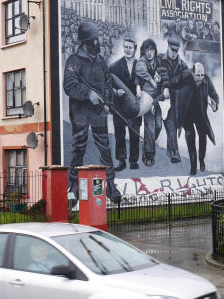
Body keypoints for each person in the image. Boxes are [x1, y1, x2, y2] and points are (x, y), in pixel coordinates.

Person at [63, 21, 120, 204]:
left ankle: (110, 184)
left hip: (98, 112)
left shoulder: (100, 61)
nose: (97, 44)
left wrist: (108, 102)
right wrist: (88, 94)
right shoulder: (73, 61)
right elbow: (69, 85)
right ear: (85, 43)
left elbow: (108, 83)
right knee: (78, 147)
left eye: (97, 40)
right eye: (94, 41)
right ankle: (73, 187)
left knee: (104, 147)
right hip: (79, 112)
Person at [177, 62, 219, 175]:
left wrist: (215, 104)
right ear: (192, 73)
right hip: (187, 115)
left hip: (200, 114)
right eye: (198, 75)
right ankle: (193, 165)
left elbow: (214, 95)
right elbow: (177, 96)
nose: (200, 78)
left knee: (203, 137)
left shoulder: (206, 80)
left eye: (202, 75)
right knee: (190, 139)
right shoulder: (185, 80)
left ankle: (201, 160)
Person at [134, 39, 168, 166]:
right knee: (150, 126)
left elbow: (165, 74)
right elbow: (138, 74)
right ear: (144, 51)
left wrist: (160, 79)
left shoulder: (159, 61)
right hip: (147, 97)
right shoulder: (142, 61)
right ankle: (149, 155)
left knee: (158, 125)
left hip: (158, 98)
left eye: (152, 50)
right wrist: (140, 85)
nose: (149, 53)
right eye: (147, 50)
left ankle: (149, 145)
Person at [110, 37, 142, 171]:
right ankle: (121, 161)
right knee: (120, 134)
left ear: (135, 50)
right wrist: (116, 91)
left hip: (135, 106)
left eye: (130, 48)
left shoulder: (141, 66)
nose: (128, 50)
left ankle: (133, 161)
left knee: (134, 133)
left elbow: (146, 84)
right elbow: (107, 86)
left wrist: (141, 90)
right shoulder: (115, 66)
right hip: (119, 106)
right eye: (126, 47)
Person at [161, 38, 190, 163]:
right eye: (172, 50)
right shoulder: (160, 59)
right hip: (162, 96)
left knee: (172, 124)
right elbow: (162, 77)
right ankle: (172, 151)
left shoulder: (182, 64)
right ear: (168, 47)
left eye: (176, 51)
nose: (174, 53)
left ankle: (172, 151)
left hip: (176, 99)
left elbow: (187, 80)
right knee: (168, 124)